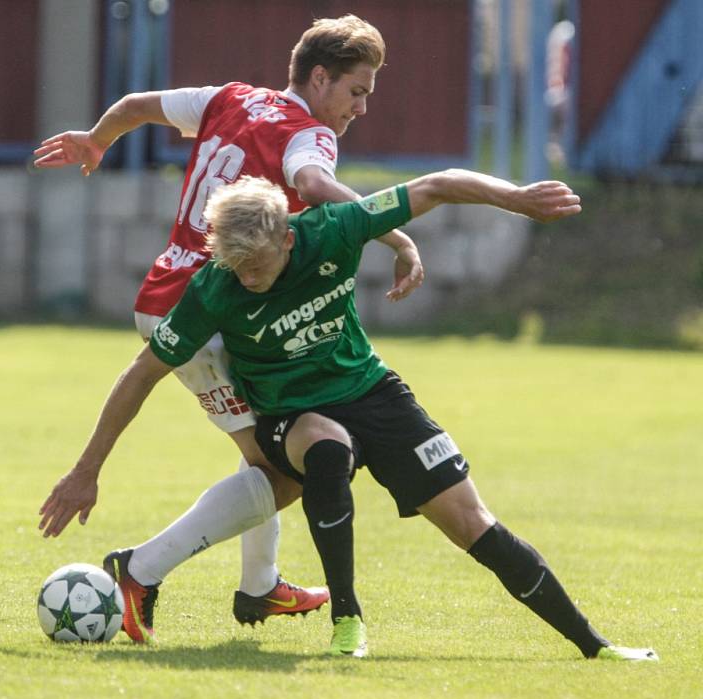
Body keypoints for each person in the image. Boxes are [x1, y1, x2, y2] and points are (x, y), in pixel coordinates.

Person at [53, 167, 659, 660]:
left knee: (472, 521)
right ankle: (347, 618)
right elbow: (140, 376)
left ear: (289, 236)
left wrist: (518, 198)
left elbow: (438, 184)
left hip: (374, 394)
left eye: (256, 266)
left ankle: (594, 646)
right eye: (236, 268)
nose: (248, 279)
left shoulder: (334, 229)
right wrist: (87, 469)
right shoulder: (215, 287)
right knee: (326, 448)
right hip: (291, 413)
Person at [35, 15, 424, 643]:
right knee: (286, 470)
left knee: (269, 455)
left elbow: (136, 105)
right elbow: (314, 183)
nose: (360, 107)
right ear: (318, 78)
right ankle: (139, 571)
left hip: (167, 292)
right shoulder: (310, 134)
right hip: (209, 312)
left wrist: (95, 140)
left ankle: (259, 586)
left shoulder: (230, 97)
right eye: (357, 90)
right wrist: (397, 236)